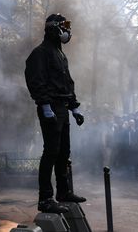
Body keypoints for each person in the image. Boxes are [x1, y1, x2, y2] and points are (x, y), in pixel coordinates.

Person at [25, 13, 86, 214]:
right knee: (51, 152)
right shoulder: (39, 53)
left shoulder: (60, 55)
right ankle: (45, 199)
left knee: (63, 152)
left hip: (62, 107)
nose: (67, 29)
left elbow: (67, 82)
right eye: (64, 25)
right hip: (51, 108)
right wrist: (45, 105)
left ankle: (63, 192)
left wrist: (74, 107)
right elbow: (36, 80)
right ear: (53, 28)